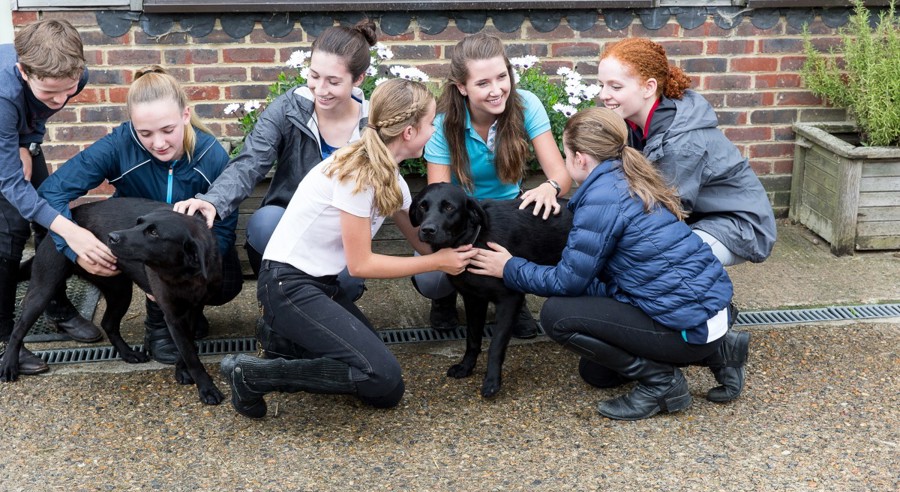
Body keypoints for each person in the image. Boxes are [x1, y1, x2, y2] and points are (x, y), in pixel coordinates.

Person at [218, 78, 477, 419]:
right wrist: (439, 263)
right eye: (431, 124)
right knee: (384, 381)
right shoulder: (358, 174)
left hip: (320, 286)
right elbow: (360, 265)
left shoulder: (391, 178)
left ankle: (282, 339)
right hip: (287, 286)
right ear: (410, 133)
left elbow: (422, 241)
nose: (435, 131)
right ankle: (252, 375)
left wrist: (477, 249)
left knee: (373, 378)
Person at [469, 107, 747, 420]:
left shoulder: (601, 200)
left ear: (581, 158)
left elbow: (566, 283)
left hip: (689, 326)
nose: (564, 161)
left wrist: (508, 267)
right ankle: (722, 351)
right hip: (708, 312)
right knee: (597, 374)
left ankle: (662, 383)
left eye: (565, 153)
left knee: (557, 315)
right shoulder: (626, 177)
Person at [38, 65, 242, 365]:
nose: (158, 143)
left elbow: (221, 231)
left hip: (180, 255)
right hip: (138, 246)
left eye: (168, 130)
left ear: (185, 115)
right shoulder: (119, 146)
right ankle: (157, 324)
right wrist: (72, 242)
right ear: (132, 125)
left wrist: (184, 280)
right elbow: (51, 191)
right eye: (145, 133)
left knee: (227, 283)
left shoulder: (210, 155)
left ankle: (188, 311)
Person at [174, 20, 377, 296]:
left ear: (359, 79)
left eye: (333, 81)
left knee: (349, 280)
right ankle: (275, 298)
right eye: (314, 75)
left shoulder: (372, 125)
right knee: (263, 223)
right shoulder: (288, 109)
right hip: (290, 220)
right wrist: (212, 201)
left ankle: (328, 314)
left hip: (340, 232)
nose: (320, 89)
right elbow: (250, 162)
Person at [413, 33, 572, 338]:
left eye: (502, 77)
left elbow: (562, 175)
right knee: (432, 279)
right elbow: (438, 196)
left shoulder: (526, 105)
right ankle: (447, 295)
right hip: (459, 220)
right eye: (482, 83)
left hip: (507, 217)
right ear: (462, 87)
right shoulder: (442, 122)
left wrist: (549, 187)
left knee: (539, 229)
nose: (496, 90)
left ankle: (511, 292)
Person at [0, 19, 116, 376]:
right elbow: (11, 184)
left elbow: (38, 110)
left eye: (65, 90)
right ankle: (6, 341)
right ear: (23, 72)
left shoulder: (76, 77)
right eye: (48, 92)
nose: (59, 100)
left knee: (47, 215)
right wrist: (73, 231)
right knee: (9, 235)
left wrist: (27, 142)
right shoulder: (4, 96)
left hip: (14, 135)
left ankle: (55, 305)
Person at [596, 37, 777, 267]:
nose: (603, 95)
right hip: (701, 217)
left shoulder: (681, 143)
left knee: (657, 259)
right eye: (601, 84)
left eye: (615, 86)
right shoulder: (633, 123)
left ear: (649, 87)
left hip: (739, 226)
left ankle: (714, 302)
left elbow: (666, 214)